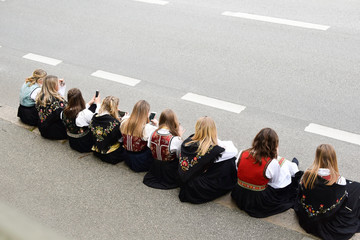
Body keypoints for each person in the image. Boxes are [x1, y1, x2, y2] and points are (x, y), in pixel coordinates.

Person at [231, 128, 302, 218]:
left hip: (239, 193)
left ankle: (293, 166)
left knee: (280, 165)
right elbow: (275, 182)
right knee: (284, 172)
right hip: (257, 199)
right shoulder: (272, 163)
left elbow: (239, 169)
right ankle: (294, 168)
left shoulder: (242, 153)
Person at [294, 144, 360, 240]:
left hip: (308, 215)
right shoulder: (338, 180)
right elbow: (342, 200)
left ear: (317, 157)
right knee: (356, 188)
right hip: (327, 219)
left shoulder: (307, 175)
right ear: (333, 159)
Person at [178, 116, 238, 204]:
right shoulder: (213, 150)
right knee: (230, 161)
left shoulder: (188, 141)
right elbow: (234, 151)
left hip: (183, 179)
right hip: (197, 187)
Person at [143, 109, 184, 189]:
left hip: (155, 166)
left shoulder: (152, 133)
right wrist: (180, 137)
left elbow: (149, 146)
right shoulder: (175, 139)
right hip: (169, 170)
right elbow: (179, 155)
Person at [120, 100, 157, 172]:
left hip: (126, 156)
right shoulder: (146, 128)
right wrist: (156, 125)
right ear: (147, 113)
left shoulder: (124, 122)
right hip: (140, 160)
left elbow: (128, 119)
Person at [89, 96, 127, 164]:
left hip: (96, 150)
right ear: (115, 107)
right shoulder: (115, 123)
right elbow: (120, 140)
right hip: (111, 155)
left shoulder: (94, 117)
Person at [62, 88, 100, 153]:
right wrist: (98, 104)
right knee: (94, 108)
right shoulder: (84, 113)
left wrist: (89, 103)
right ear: (80, 98)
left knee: (92, 106)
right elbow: (97, 118)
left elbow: (77, 110)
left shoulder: (64, 111)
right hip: (84, 145)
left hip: (72, 142)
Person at [35, 75, 67, 140]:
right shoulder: (57, 102)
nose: (59, 84)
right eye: (57, 84)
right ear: (54, 86)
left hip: (42, 127)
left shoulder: (40, 95)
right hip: (53, 132)